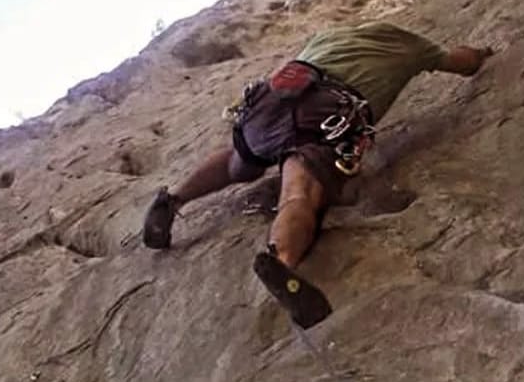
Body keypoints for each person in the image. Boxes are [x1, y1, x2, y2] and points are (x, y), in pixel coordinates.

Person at [143, 21, 492, 328]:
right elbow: (462, 63)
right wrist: (481, 53)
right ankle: (283, 265)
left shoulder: (327, 38)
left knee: (240, 161)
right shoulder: (409, 44)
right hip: (325, 110)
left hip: (269, 101)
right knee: (298, 190)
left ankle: (172, 200)